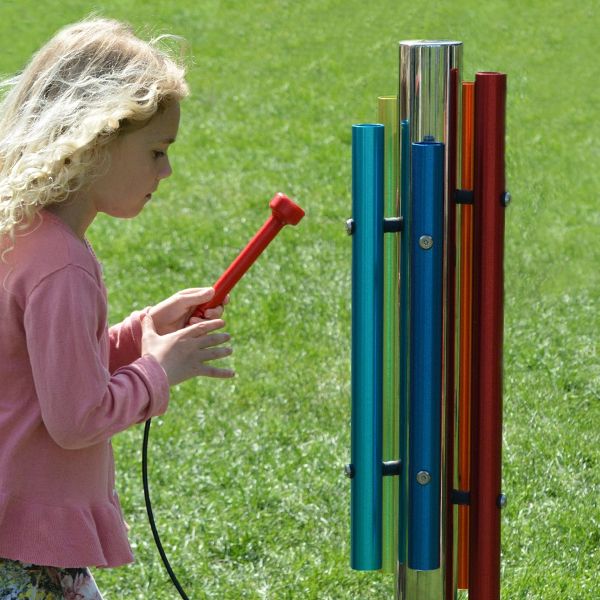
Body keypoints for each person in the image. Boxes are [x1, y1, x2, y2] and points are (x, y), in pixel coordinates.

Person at [0, 17, 234, 599]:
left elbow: (39, 374)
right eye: (157, 151)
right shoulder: (62, 266)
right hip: (25, 556)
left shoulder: (22, 234)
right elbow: (75, 416)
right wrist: (159, 371)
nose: (167, 170)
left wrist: (140, 334)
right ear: (95, 139)